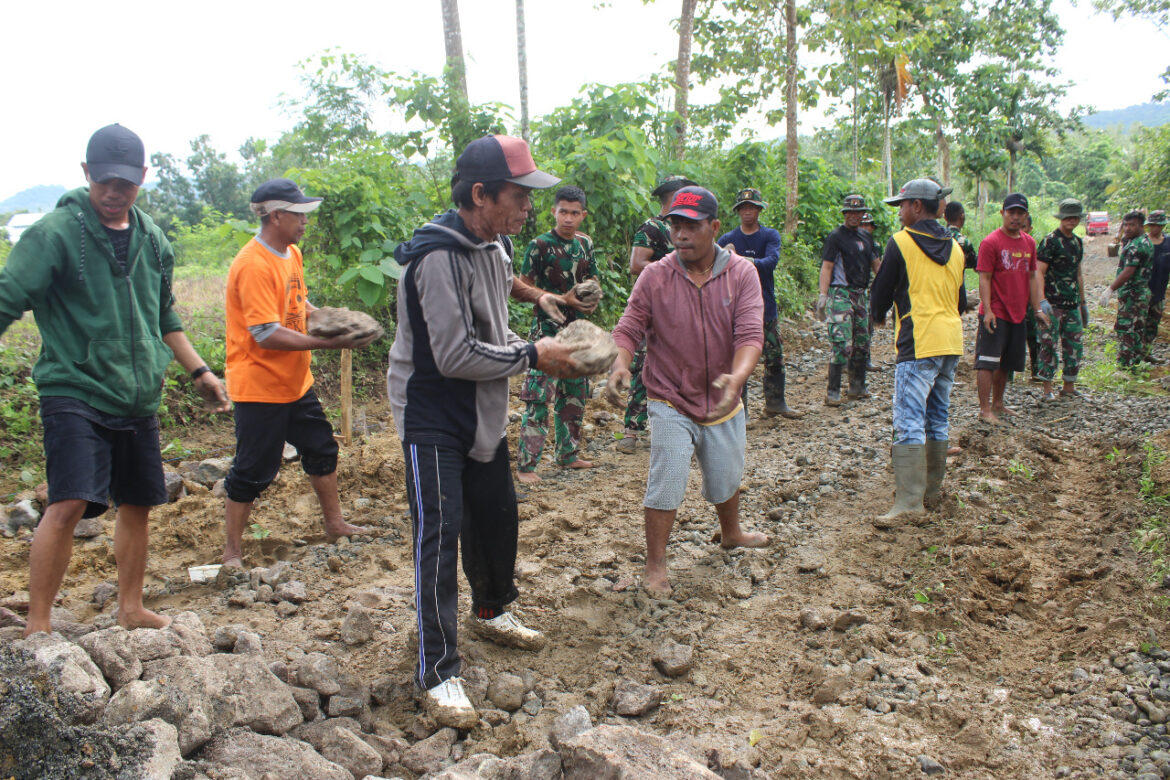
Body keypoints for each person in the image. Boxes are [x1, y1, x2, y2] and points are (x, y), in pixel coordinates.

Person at [0, 125, 229, 636]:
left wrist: (200, 371)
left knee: (139, 502)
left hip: (137, 395)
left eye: (124, 183)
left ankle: (130, 607)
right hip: (73, 386)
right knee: (69, 502)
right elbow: (8, 295)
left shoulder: (152, 238)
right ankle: (38, 625)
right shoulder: (55, 234)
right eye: (104, 181)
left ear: (142, 179)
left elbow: (164, 314)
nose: (113, 192)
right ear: (86, 174)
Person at [386, 135, 584, 729]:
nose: (528, 208)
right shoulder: (437, 258)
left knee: (497, 514)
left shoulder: (494, 247)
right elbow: (451, 354)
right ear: (480, 194)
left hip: (480, 405)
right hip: (432, 409)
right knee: (439, 532)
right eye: (518, 196)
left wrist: (541, 306)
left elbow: (494, 323)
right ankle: (437, 669)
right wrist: (533, 356)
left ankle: (492, 608)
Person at [607, 186, 769, 600]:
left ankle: (731, 533)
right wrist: (620, 363)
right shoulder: (655, 275)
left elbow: (751, 334)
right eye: (675, 224)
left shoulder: (742, 273)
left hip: (722, 396)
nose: (681, 234)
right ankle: (656, 564)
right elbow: (629, 326)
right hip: (669, 395)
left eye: (691, 226)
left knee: (725, 474)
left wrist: (737, 377)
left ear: (714, 227)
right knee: (668, 476)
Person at [220, 179, 377, 568]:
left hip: (294, 382)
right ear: (276, 215)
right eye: (299, 213)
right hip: (259, 385)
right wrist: (328, 344)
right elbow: (265, 334)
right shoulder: (253, 264)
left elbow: (296, 300)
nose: (306, 221)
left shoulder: (291, 253)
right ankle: (232, 552)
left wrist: (323, 318)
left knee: (322, 448)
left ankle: (335, 523)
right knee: (253, 469)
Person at [870, 179, 967, 520]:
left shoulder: (901, 242)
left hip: (919, 340)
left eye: (901, 205)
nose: (899, 212)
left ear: (915, 206)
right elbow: (962, 300)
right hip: (951, 341)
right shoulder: (956, 248)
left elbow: (880, 293)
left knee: (909, 418)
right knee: (937, 416)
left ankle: (909, 503)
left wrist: (878, 316)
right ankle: (933, 493)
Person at [515, 185, 599, 483]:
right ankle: (527, 466)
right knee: (538, 399)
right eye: (563, 211)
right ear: (554, 211)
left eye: (574, 213)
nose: (568, 218)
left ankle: (568, 454)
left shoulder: (585, 245)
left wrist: (591, 297)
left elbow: (592, 279)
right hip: (546, 332)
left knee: (574, 396)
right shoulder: (539, 245)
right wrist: (564, 299)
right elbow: (522, 289)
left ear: (583, 215)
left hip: (576, 334)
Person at [617, 174, 695, 453]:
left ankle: (680, 426)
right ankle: (631, 431)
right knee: (642, 367)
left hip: (682, 307)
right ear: (674, 197)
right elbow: (636, 264)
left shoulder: (690, 227)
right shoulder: (652, 227)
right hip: (652, 308)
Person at [717, 187, 799, 418]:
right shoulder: (727, 239)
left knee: (774, 355)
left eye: (752, 208)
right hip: (735, 309)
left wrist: (739, 259)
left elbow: (770, 262)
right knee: (736, 359)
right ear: (738, 211)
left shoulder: (769, 236)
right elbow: (715, 268)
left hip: (765, 306)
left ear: (759, 210)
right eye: (743, 208)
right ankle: (737, 410)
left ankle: (775, 403)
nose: (747, 212)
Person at [974, 193, 1050, 424]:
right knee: (987, 361)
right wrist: (988, 310)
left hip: (1018, 312)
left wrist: (1036, 308)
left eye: (1020, 213)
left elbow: (1032, 277)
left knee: (1007, 362)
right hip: (996, 311)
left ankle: (999, 402)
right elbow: (984, 278)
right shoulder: (991, 242)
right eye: (1011, 213)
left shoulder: (1029, 243)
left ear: (1026, 216)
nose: (1015, 218)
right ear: (1003, 214)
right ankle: (984, 408)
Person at [816, 194, 879, 404]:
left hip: (861, 293)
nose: (854, 216)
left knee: (862, 340)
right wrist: (823, 295)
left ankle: (857, 385)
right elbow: (827, 266)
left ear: (862, 214)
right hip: (840, 292)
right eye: (850, 212)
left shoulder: (866, 237)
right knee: (840, 341)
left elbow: (876, 265)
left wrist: (887, 288)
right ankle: (833, 391)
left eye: (858, 212)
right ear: (844, 214)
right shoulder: (836, 236)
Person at [1035, 199, 1088, 401]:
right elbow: (1039, 272)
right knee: (1048, 344)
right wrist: (1041, 300)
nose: (1071, 220)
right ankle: (1047, 388)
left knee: (1074, 344)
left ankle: (1068, 385)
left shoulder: (1077, 242)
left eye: (1075, 217)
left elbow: (1079, 273)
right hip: (1053, 303)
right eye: (1068, 216)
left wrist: (1083, 303)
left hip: (1071, 303)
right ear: (1061, 218)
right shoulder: (1050, 241)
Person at [1100, 210, 1155, 369]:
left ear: (1141, 226)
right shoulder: (1139, 241)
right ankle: (1135, 363)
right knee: (1137, 328)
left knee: (1126, 328)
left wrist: (1110, 289)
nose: (1128, 228)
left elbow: (1129, 271)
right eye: (1126, 224)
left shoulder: (1138, 245)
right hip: (1138, 294)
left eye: (1132, 225)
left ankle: (1125, 365)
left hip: (1133, 295)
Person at [1143, 210, 1170, 361]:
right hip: (1142, 290)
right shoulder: (1143, 242)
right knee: (1140, 323)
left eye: (1157, 225)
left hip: (1159, 290)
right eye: (1152, 225)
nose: (1155, 228)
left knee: (1153, 323)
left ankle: (1147, 353)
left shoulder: (1168, 243)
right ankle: (1135, 355)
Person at [943, 202, 978, 270]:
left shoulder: (937, 237)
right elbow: (976, 264)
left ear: (944, 217)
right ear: (962, 216)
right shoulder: (964, 242)